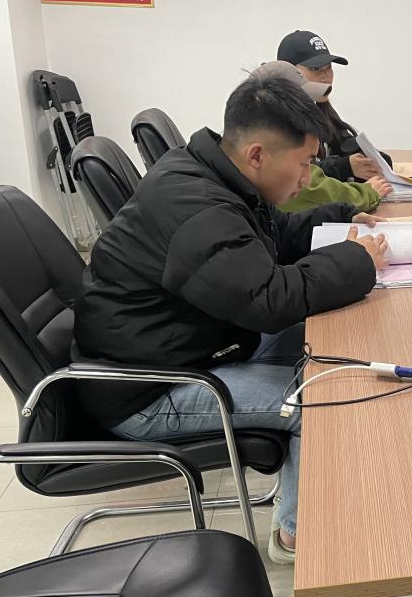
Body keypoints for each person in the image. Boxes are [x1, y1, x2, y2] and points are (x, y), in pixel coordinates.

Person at [72, 66, 390, 565]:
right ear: (257, 154)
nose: (307, 178)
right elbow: (268, 299)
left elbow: (276, 235)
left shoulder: (216, 175)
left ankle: (333, 491)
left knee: (335, 352)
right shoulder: (198, 209)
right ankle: (297, 535)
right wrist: (355, 261)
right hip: (147, 389)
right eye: (304, 164)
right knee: (325, 395)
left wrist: (340, 217)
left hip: (189, 346)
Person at [277, 28, 393, 186]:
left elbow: (342, 141)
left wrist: (369, 158)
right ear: (288, 71)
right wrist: (345, 167)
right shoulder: (278, 116)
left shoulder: (318, 108)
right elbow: (297, 173)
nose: (326, 77)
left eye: (329, 67)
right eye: (315, 69)